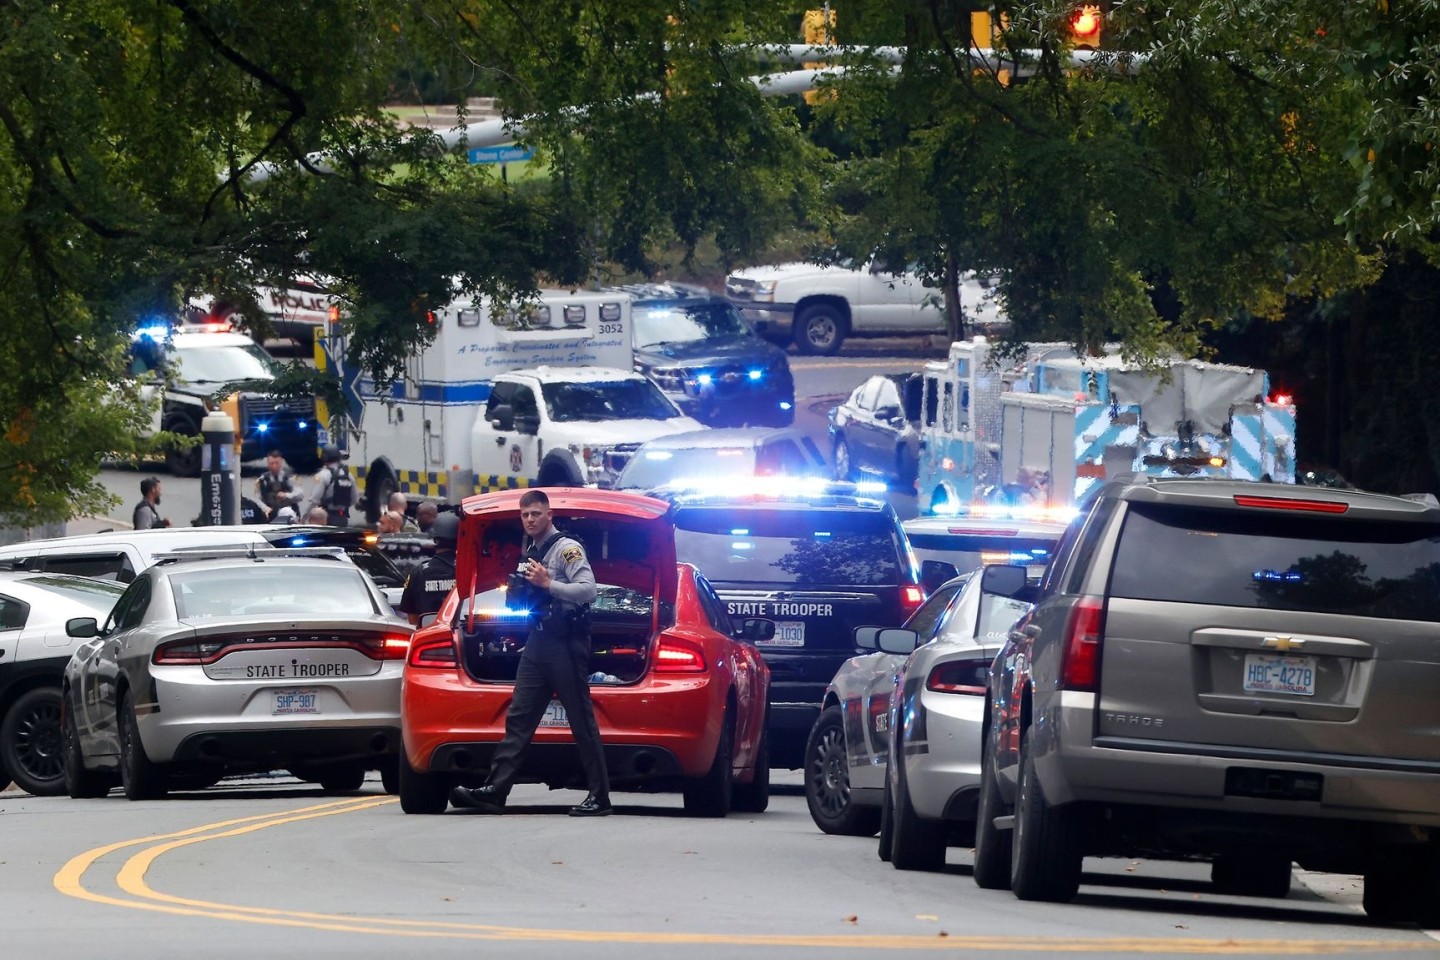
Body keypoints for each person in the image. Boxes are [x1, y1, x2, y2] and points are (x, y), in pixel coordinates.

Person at [450, 490, 611, 818]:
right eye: (525, 515)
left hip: (565, 642)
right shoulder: (531, 550)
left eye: (536, 513)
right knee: (519, 717)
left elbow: (588, 591)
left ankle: (600, 796)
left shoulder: (567, 549)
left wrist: (548, 582)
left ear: (549, 515)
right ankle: (496, 790)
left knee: (580, 719)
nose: (530, 519)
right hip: (538, 641)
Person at [398, 511, 458, 627]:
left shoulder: (419, 572)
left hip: (428, 638)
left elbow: (412, 619)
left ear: (435, 540)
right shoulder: (467, 570)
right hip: (461, 636)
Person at [301, 445, 356, 527]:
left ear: (324, 457)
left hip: (325, 519)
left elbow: (314, 500)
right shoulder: (349, 475)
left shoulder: (323, 475)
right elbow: (354, 500)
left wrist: (303, 518)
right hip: (343, 518)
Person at [256, 449, 302, 518]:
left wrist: (286, 495)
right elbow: (256, 499)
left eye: (276, 463)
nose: (274, 466)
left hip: (288, 512)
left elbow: (300, 495)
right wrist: (264, 507)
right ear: (267, 463)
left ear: (281, 462)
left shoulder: (290, 477)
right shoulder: (262, 480)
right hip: (270, 513)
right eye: (271, 463)